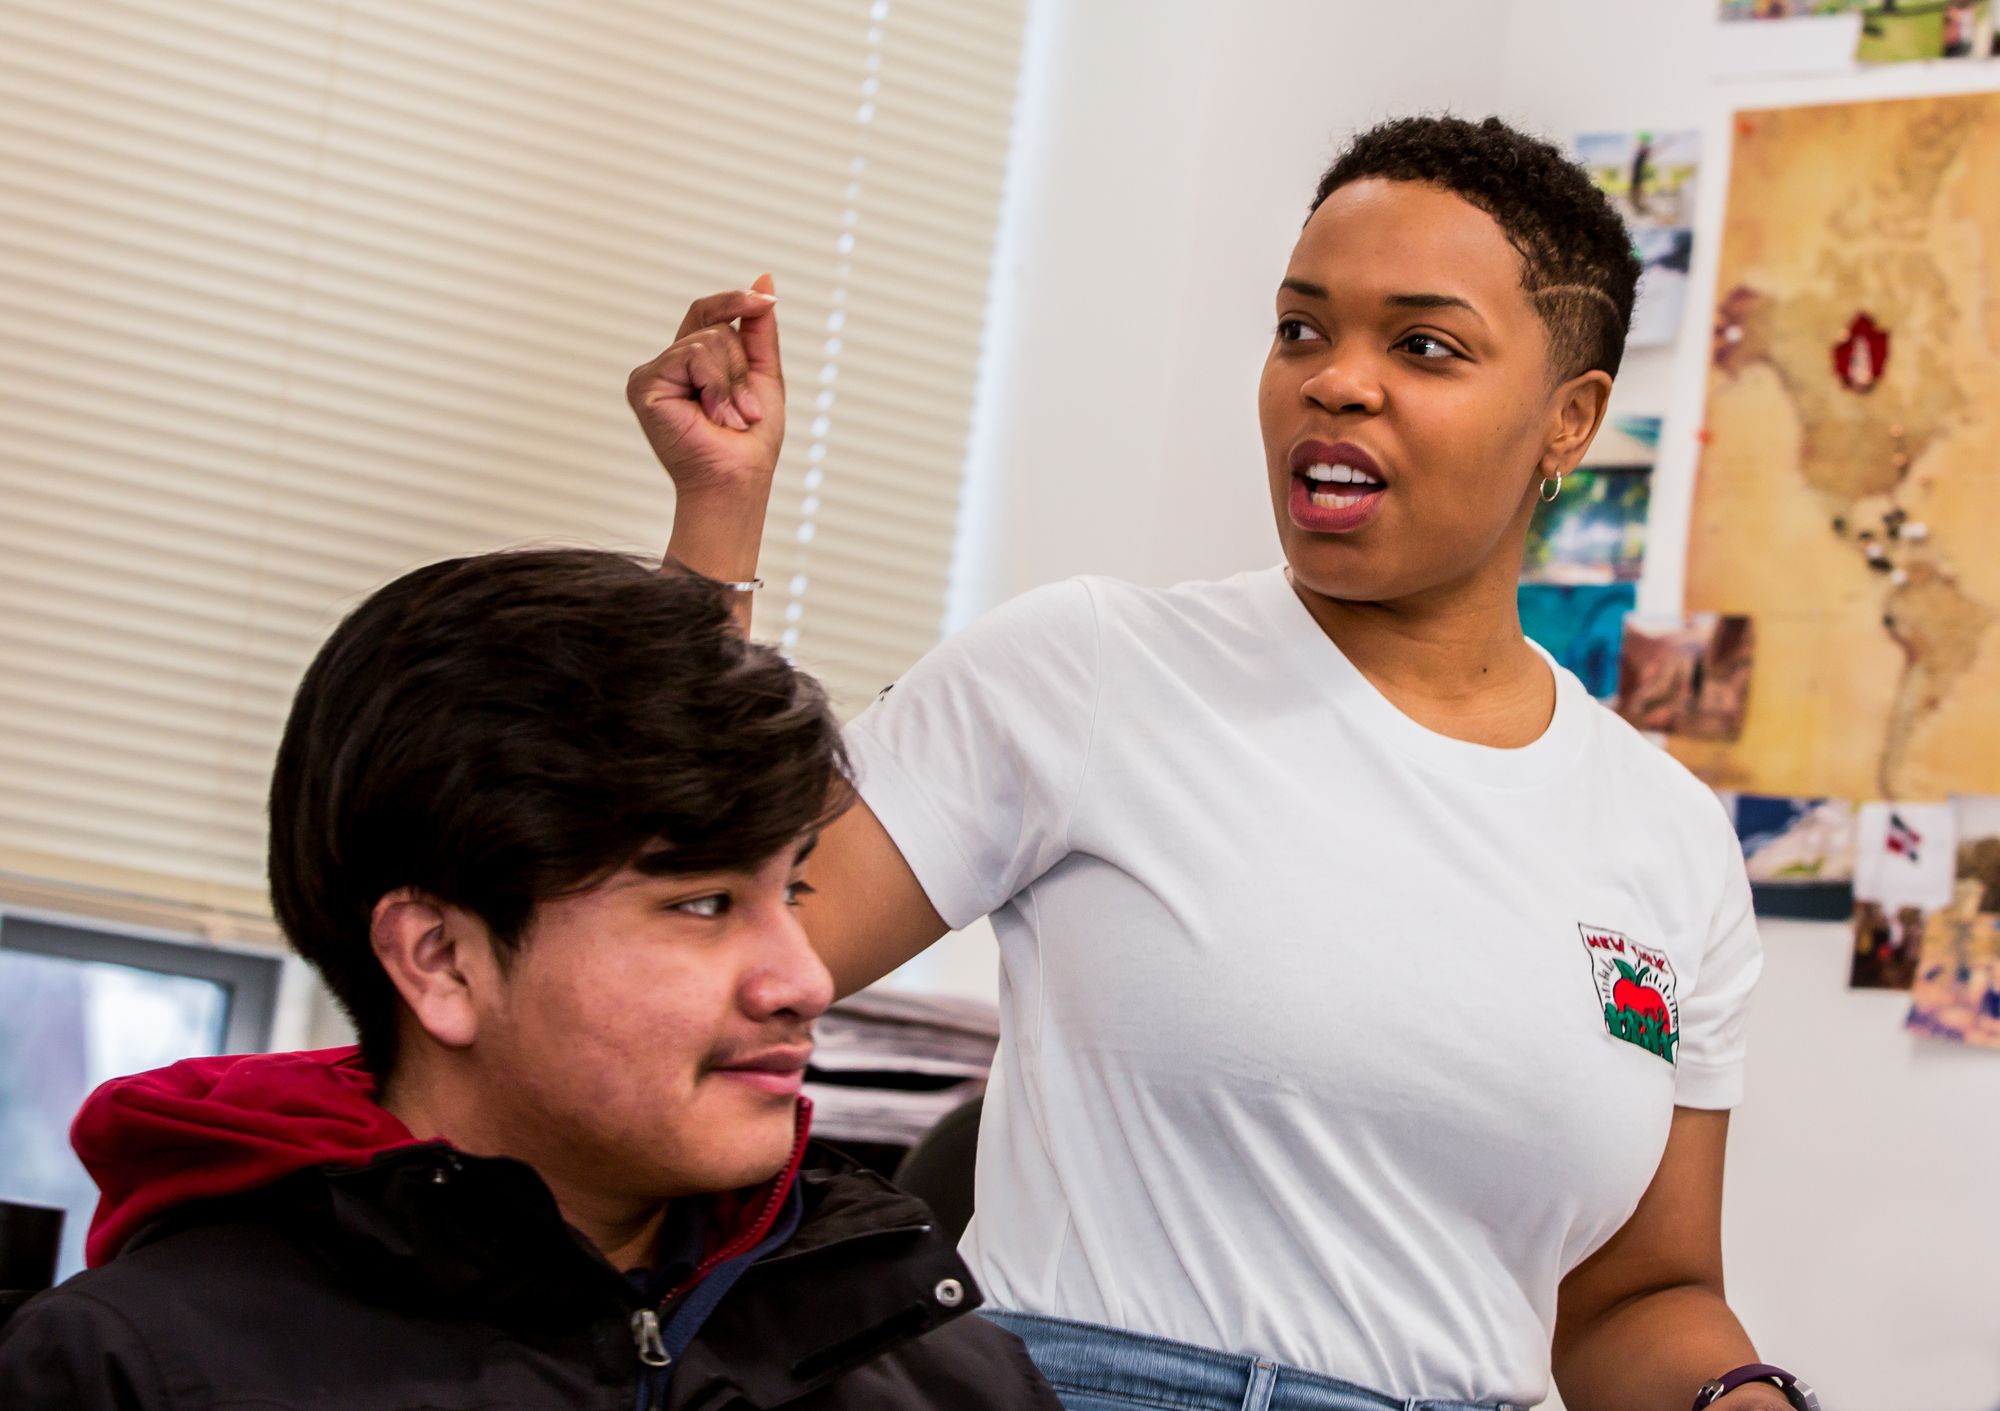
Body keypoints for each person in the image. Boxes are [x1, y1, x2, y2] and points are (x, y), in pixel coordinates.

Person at [629, 116, 1811, 1411]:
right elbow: (705, 941)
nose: (1335, 381)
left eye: (1422, 344)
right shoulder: (1091, 667)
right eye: (1303, 328)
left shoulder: (1671, 835)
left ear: (1568, 419)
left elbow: (1638, 1296)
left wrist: (1740, 1395)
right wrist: (721, 512)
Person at [0, 550, 1059, 1411]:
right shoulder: (136, 1372)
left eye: (791, 891)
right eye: (701, 904)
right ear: (441, 960)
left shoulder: (954, 1377)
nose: (802, 980)